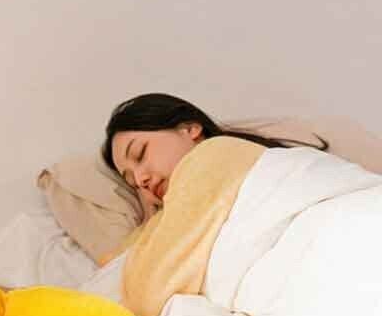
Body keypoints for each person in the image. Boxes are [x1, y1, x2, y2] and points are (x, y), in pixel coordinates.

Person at [100, 93, 326, 221]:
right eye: (132, 182)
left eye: (140, 153)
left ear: (190, 129)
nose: (141, 179)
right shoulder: (166, 229)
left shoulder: (273, 166)